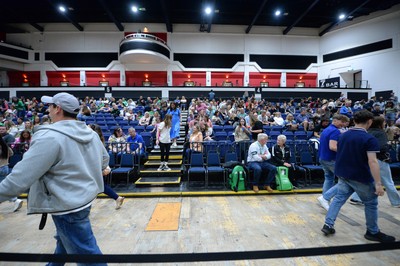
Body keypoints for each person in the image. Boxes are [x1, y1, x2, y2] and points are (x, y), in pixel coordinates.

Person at [0, 92, 109, 262]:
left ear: (58, 109)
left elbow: (20, 178)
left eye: (50, 106)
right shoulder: (91, 134)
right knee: (64, 246)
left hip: (66, 205)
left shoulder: (49, 137)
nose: (47, 109)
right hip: (84, 199)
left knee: (88, 256)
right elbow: (104, 161)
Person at [321, 110, 395, 243]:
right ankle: (372, 231)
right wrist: (378, 184)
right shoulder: (369, 139)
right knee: (371, 203)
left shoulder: (343, 135)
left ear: (354, 121)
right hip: (360, 176)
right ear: (370, 122)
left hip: (343, 173)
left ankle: (328, 225)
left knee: (338, 199)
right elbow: (372, 161)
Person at [349, 116, 400, 207]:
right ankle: (396, 202)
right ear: (380, 124)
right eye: (384, 122)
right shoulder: (381, 133)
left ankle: (355, 198)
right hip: (380, 160)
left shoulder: (367, 132)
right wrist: (388, 146)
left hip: (367, 159)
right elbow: (381, 147)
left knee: (368, 180)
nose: (385, 123)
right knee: (388, 181)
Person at [317, 114, 349, 211]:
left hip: (323, 158)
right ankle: (325, 198)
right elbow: (333, 147)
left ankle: (324, 199)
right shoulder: (335, 131)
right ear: (335, 120)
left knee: (329, 178)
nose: (343, 125)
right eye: (342, 122)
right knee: (346, 180)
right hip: (331, 159)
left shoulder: (326, 130)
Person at [89, 124, 125, 210]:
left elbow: (104, 157)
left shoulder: (95, 141)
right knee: (101, 187)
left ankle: (117, 198)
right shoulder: (96, 140)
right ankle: (117, 198)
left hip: (97, 168)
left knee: (98, 187)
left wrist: (102, 168)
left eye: (88, 127)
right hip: (97, 167)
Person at [0, 136, 23, 212]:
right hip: (5, 167)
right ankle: (15, 200)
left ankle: (15, 200)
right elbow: (11, 153)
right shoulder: (4, 145)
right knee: (3, 187)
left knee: (3, 187)